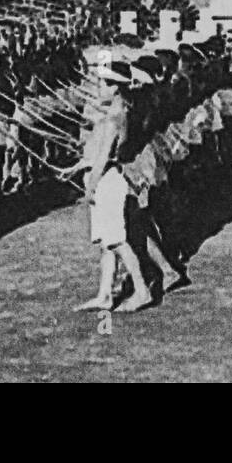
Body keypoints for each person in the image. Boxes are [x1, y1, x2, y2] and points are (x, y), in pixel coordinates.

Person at [75, 59, 152, 313]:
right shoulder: (120, 112)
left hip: (107, 182)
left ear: (115, 87)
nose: (99, 87)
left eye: (103, 83)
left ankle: (142, 291)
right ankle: (104, 295)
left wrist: (89, 187)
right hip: (108, 178)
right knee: (107, 243)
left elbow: (103, 158)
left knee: (118, 242)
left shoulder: (113, 119)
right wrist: (78, 168)